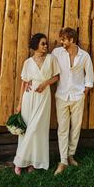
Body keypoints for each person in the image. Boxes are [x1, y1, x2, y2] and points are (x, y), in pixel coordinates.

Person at [13, 33, 60, 175]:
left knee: (37, 129)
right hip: (29, 97)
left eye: (46, 44)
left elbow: (57, 77)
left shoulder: (51, 59)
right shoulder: (28, 62)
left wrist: (45, 83)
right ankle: (27, 163)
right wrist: (20, 103)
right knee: (27, 130)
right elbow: (24, 83)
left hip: (43, 97)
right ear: (36, 46)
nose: (46, 46)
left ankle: (25, 161)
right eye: (43, 44)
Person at [52, 27, 94, 175]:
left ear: (72, 40)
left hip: (77, 97)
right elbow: (49, 68)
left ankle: (71, 155)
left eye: (64, 39)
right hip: (62, 96)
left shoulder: (84, 56)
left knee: (75, 128)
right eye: (61, 39)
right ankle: (62, 161)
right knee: (62, 129)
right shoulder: (57, 53)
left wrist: (84, 92)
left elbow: (89, 77)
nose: (61, 41)